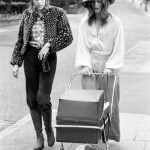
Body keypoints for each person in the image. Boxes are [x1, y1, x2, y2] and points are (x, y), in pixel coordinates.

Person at [10, 0, 73, 149]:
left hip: (48, 58)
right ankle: (39, 136)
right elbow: (20, 40)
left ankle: (49, 129)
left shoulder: (57, 13)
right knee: (32, 99)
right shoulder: (27, 14)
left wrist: (49, 45)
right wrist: (16, 63)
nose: (39, 1)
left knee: (43, 98)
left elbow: (67, 36)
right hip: (30, 57)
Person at [75, 0, 125, 147]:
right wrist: (84, 65)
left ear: (105, 3)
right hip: (90, 65)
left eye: (99, 1)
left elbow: (119, 45)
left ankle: (107, 136)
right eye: (92, 2)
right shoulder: (84, 22)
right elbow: (82, 45)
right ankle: (92, 137)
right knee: (90, 104)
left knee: (110, 103)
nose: (96, 4)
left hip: (109, 64)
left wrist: (111, 66)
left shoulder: (115, 22)